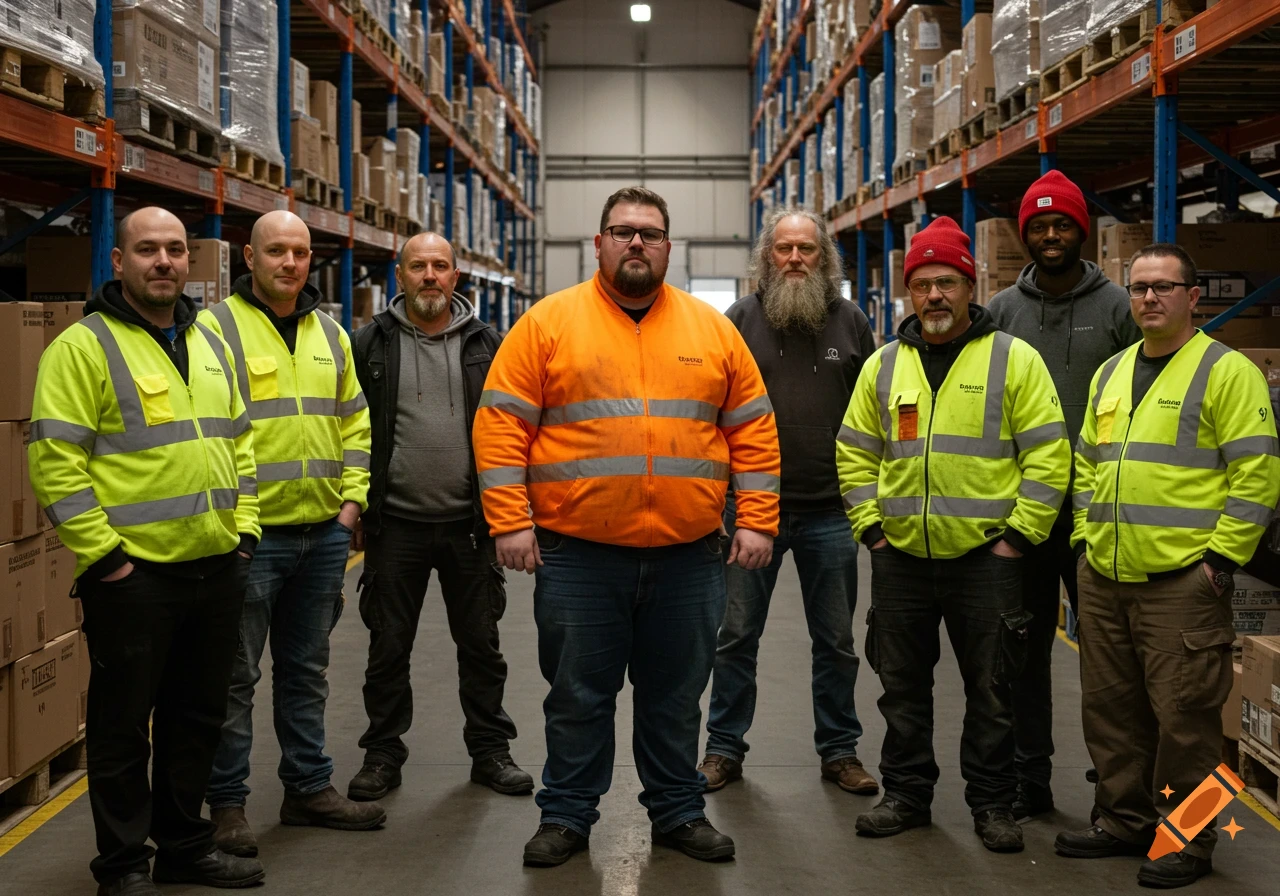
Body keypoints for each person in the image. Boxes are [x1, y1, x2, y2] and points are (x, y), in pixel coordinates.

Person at [474, 186, 781, 867]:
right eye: (622, 231)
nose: (635, 242)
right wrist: (510, 522)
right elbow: (500, 426)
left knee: (675, 696)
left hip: (689, 555)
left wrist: (756, 521)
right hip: (579, 555)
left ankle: (677, 810)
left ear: (669, 246)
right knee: (579, 695)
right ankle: (567, 814)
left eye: (649, 232)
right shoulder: (548, 324)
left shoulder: (711, 331)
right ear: (599, 244)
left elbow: (754, 432)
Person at [29, 207, 265, 895]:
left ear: (188, 261)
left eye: (173, 250)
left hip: (217, 567)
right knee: (123, 726)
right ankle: (124, 865)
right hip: (135, 577)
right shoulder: (84, 347)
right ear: (119, 262)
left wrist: (245, 531)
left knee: (197, 719)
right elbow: (54, 461)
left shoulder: (212, 342)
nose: (162, 262)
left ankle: (185, 846)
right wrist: (107, 559)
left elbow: (240, 441)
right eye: (146, 250)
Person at [836, 216, 1071, 854]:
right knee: (901, 686)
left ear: (970, 287)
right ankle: (907, 794)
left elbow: (1049, 457)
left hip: (986, 560)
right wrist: (872, 530)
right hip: (902, 558)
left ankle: (992, 803)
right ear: (909, 293)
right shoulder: (885, 366)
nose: (934, 296)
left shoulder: (1012, 359)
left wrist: (1017, 539)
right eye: (921, 285)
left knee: (992, 688)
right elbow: (854, 453)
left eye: (947, 282)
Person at [1055, 243, 1280, 889]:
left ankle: (1191, 839)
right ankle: (1122, 821)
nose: (1149, 298)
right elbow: (1086, 465)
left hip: (1181, 582)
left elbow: (1258, 473)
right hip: (1105, 575)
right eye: (1139, 287)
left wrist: (1218, 561)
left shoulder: (1226, 372)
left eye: (1163, 287)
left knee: (1186, 721)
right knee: (1110, 709)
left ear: (1193, 297)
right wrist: (1082, 540)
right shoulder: (1111, 372)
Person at [202, 210, 382, 856]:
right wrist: (236, 523)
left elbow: (355, 423)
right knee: (234, 677)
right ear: (248, 258)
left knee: (306, 671)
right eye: (275, 251)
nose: (289, 263)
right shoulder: (214, 331)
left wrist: (350, 506)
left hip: (322, 535)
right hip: (252, 539)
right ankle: (226, 804)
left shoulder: (329, 335)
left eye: (300, 252)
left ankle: (308, 786)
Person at [698, 207, 878, 796]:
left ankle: (840, 749)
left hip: (831, 510)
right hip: (752, 512)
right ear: (766, 257)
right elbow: (713, 416)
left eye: (807, 249)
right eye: (784, 249)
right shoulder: (738, 323)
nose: (795, 259)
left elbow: (870, 417)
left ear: (824, 258)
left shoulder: (851, 322)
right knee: (735, 636)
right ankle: (723, 748)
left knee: (836, 642)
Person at [347, 231, 531, 801]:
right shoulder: (369, 344)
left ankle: (490, 751)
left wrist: (511, 513)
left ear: (457, 277)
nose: (430, 276)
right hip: (394, 523)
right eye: (418, 266)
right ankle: (382, 755)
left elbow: (514, 431)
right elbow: (347, 427)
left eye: (441, 267)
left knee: (481, 645)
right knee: (388, 647)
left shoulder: (488, 346)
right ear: (399, 276)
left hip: (469, 525)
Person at [986, 170, 1142, 819]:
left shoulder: (1118, 310)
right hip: (1024, 514)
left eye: (1062, 224)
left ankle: (1118, 783)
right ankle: (1031, 781)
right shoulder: (1000, 312)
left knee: (1107, 657)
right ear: (1026, 234)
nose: (1051, 235)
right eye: (1039, 225)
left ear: (1081, 229)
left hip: (1095, 516)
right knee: (1021, 650)